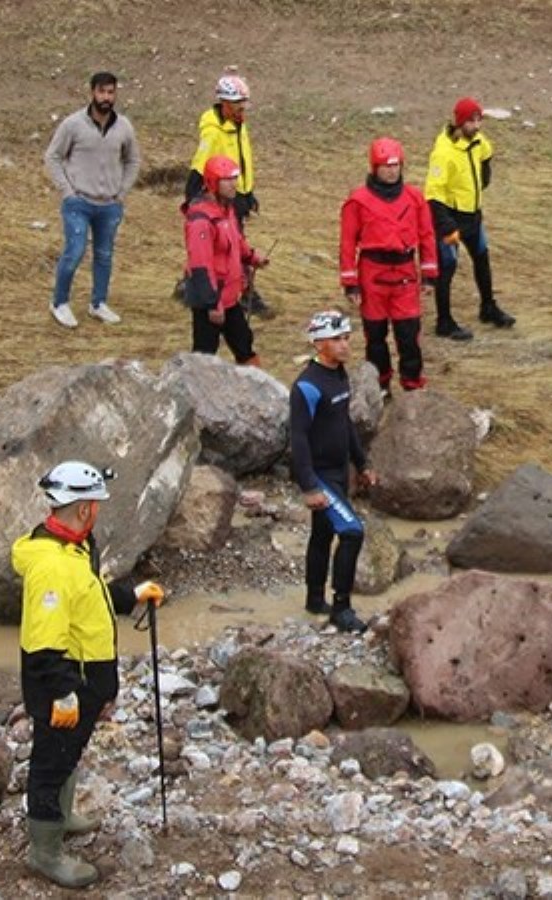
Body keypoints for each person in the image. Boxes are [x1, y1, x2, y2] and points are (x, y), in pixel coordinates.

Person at [12, 461, 164, 887]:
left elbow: (89, 598)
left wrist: (131, 594)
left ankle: (61, 816)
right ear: (82, 509)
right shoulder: (53, 566)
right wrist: (64, 695)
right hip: (66, 688)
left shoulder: (73, 548)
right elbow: (44, 643)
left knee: (68, 754)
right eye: (95, 504)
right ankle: (45, 852)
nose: (98, 511)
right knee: (50, 763)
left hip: (83, 683)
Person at [290, 310, 380, 633]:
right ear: (318, 343)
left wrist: (363, 462)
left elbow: (345, 424)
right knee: (352, 532)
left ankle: (315, 599)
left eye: (347, 338)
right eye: (337, 339)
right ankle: (341, 608)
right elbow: (297, 439)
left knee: (322, 534)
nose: (345, 346)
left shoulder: (340, 375)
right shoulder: (306, 386)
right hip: (320, 475)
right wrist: (309, 486)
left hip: (340, 469)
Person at [339, 138, 438, 393]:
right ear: (374, 167)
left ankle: (412, 385)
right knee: (375, 338)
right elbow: (348, 243)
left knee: (408, 336)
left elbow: (427, 235)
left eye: (396, 165)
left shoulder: (415, 198)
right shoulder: (358, 201)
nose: (392, 171)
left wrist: (429, 275)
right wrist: (350, 283)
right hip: (373, 275)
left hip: (405, 273)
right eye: (386, 166)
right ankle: (379, 386)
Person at [43, 71, 140, 328]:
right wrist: (67, 190)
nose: (106, 97)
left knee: (104, 254)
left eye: (111, 92)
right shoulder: (73, 124)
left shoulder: (124, 127)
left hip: (109, 203)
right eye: (102, 92)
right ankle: (59, 301)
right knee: (74, 251)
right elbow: (52, 156)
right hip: (79, 201)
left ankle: (98, 303)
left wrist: (121, 192)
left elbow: (132, 159)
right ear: (92, 92)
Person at [426, 96, 515, 340]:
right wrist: (446, 225)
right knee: (447, 268)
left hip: (473, 215)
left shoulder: (476, 141)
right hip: (451, 218)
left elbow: (487, 152)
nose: (477, 126)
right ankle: (444, 321)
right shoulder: (443, 154)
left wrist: (485, 174)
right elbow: (433, 194)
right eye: (472, 121)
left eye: (479, 120)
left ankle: (488, 307)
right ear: (459, 122)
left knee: (482, 258)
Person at [186, 74, 272, 318]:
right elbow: (200, 163)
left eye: (244, 102)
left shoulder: (238, 123)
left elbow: (243, 160)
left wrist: (248, 191)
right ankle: (245, 293)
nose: (242, 108)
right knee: (233, 245)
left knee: (223, 245)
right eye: (237, 103)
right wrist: (192, 195)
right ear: (224, 103)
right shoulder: (214, 131)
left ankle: (188, 284)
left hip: (238, 193)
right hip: (224, 197)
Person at [182, 156, 267, 365]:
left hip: (228, 297)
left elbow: (236, 241)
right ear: (212, 183)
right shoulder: (201, 221)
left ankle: (255, 389)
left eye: (234, 178)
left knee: (244, 345)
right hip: (210, 300)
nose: (233, 184)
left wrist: (252, 257)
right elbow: (201, 266)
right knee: (204, 355)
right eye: (226, 180)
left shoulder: (227, 210)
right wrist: (212, 304)